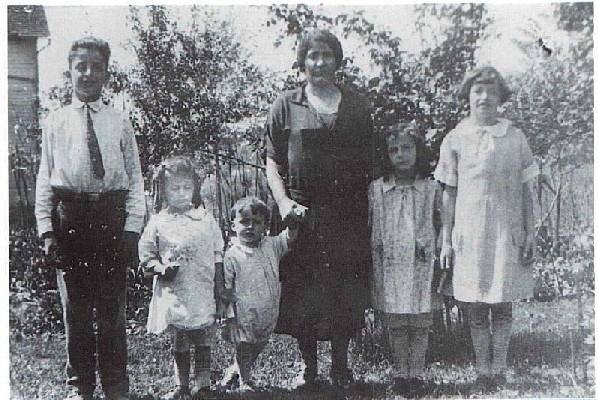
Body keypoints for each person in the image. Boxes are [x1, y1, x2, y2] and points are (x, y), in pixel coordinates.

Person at [35, 36, 145, 400]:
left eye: (95, 66)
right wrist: (47, 231)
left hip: (110, 219)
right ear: (69, 71)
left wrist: (131, 229)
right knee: (76, 311)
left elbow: (134, 178)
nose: (87, 73)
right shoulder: (56, 122)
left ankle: (115, 386)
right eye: (80, 65)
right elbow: (44, 177)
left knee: (112, 309)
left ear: (106, 73)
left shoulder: (120, 122)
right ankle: (79, 385)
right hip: (72, 220)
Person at [264, 29, 375, 388]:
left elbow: (369, 161)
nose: (320, 62)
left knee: (344, 287)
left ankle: (341, 367)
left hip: (347, 213)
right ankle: (308, 368)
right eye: (313, 55)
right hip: (302, 212)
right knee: (304, 291)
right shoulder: (287, 105)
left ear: (338, 61)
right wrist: (283, 202)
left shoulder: (356, 106)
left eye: (327, 54)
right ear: (302, 62)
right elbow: (271, 160)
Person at [435, 65, 538, 391]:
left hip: (506, 232)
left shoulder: (515, 137)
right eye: (477, 91)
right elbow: (449, 192)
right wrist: (447, 239)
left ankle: (501, 367)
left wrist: (530, 231)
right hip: (471, 233)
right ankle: (482, 370)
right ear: (467, 96)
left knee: (502, 303)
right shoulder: (456, 138)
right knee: (476, 305)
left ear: (500, 97)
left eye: (490, 92)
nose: (484, 97)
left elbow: (526, 191)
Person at [138, 156, 225, 400]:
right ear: (163, 190)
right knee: (181, 338)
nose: (181, 193)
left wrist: (219, 286)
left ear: (195, 188)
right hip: (176, 289)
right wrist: (159, 267)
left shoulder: (205, 219)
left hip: (201, 287)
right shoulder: (159, 222)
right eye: (174, 188)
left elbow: (218, 252)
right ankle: (182, 384)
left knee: (202, 337)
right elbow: (146, 254)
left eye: (186, 188)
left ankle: (204, 384)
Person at [369, 122, 441, 397]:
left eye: (407, 148)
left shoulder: (430, 188)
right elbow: (371, 225)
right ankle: (401, 373)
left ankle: (417, 373)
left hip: (421, 260)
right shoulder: (377, 189)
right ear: (386, 155)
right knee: (397, 319)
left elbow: (439, 222)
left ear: (418, 151)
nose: (400, 154)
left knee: (420, 319)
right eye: (393, 150)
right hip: (390, 262)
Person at [221, 196, 299, 390]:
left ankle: (237, 370)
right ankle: (244, 380)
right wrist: (229, 314)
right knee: (245, 345)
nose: (250, 227)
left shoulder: (271, 245)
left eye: (256, 223)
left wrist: (293, 221)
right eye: (244, 222)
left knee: (259, 343)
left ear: (265, 226)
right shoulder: (232, 255)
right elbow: (227, 288)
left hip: (267, 310)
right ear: (233, 225)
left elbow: (288, 238)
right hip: (244, 312)